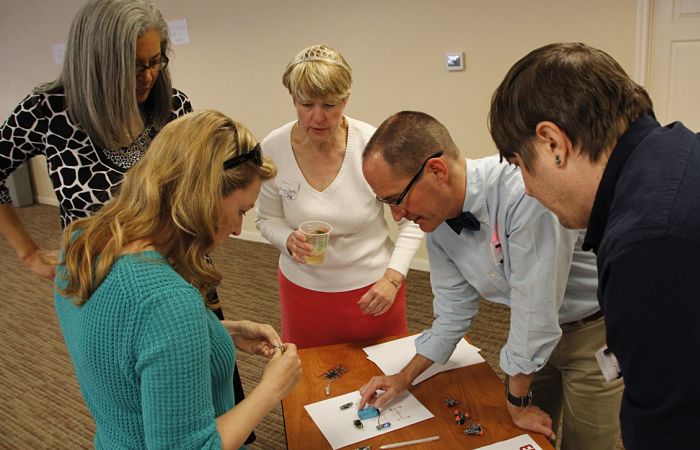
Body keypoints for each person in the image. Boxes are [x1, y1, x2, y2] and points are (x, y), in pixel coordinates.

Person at [488, 42, 700, 449]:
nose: (529, 191)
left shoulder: (648, 243)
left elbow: (678, 430)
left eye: (520, 167)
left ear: (553, 142)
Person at [358, 111, 623, 449]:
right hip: (532, 338)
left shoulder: (524, 194)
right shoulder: (437, 221)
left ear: (436, 171)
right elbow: (453, 313)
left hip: (592, 334)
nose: (397, 216)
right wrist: (403, 377)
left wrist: (518, 402)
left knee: (588, 442)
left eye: (396, 199)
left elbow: (535, 311)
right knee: (532, 437)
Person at [55, 110, 302, 449]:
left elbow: (126, 350)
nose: (237, 229)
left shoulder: (80, 243)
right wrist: (271, 389)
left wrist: (218, 332)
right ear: (203, 196)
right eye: (241, 210)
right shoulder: (168, 302)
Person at [0, 0, 192, 281]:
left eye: (155, 61)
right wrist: (28, 254)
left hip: (174, 273)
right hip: (99, 281)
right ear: (96, 64)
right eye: (135, 67)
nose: (149, 76)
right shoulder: (47, 111)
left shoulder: (174, 107)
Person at [255, 45, 423, 348]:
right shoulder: (273, 147)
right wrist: (286, 239)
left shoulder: (373, 145)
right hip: (303, 293)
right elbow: (267, 218)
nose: (317, 117)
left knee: (384, 381)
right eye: (306, 105)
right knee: (309, 383)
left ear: (346, 99)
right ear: (293, 99)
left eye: (330, 105)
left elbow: (412, 219)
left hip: (375, 292)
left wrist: (392, 279)